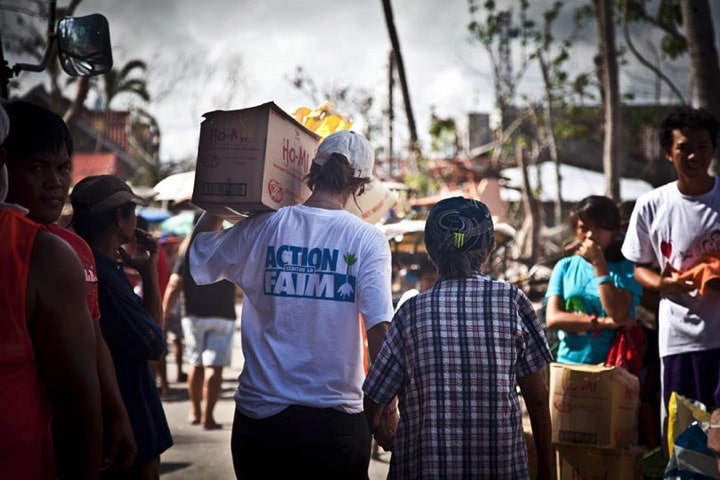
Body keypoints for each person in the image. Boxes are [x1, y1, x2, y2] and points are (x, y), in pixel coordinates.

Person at [187, 130, 394, 479]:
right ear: (360, 185)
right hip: (336, 422)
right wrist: (386, 408)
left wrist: (216, 203)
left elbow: (200, 256)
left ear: (312, 170)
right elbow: (379, 329)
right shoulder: (367, 239)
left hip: (261, 420)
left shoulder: (263, 226)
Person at [363, 197, 554, 479]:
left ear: (430, 251)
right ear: (489, 250)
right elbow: (537, 399)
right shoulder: (511, 301)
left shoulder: (411, 312)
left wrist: (381, 428)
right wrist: (549, 472)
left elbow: (374, 397)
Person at [2, 100, 137, 469]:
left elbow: (94, 341)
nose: (55, 182)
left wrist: (116, 412)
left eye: (62, 168)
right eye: (37, 168)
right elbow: (75, 395)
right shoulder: (38, 251)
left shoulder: (72, 249)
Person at [621, 107, 720, 431]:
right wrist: (666, 285)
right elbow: (640, 269)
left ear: (713, 149)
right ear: (668, 153)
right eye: (684, 148)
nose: (694, 155)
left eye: (702, 146)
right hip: (679, 339)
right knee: (686, 437)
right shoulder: (652, 204)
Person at [71, 175, 173, 479]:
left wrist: (149, 271)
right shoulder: (103, 276)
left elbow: (151, 336)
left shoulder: (91, 265)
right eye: (133, 212)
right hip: (129, 420)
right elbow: (155, 345)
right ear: (119, 217)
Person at [545, 195, 643, 365]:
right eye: (584, 228)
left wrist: (599, 263)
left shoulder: (625, 267)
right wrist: (602, 322)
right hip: (569, 363)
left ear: (613, 231)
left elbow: (618, 313)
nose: (590, 235)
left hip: (614, 365)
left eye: (599, 228)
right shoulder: (565, 267)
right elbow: (553, 318)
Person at [163, 217, 237, 430]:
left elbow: (174, 284)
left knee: (195, 364)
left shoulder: (188, 252)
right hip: (222, 315)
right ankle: (208, 417)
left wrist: (164, 313)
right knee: (214, 367)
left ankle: (195, 411)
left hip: (193, 315)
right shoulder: (228, 248)